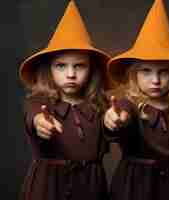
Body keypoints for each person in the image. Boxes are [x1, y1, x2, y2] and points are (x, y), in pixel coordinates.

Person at [103, 0, 169, 200]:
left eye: (163, 72)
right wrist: (113, 120)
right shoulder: (128, 106)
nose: (155, 80)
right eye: (146, 71)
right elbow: (117, 119)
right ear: (134, 75)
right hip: (135, 185)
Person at [19, 1, 111, 200]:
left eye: (79, 66)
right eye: (61, 66)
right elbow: (33, 115)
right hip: (49, 187)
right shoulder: (39, 103)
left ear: (92, 69)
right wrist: (39, 122)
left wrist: (118, 121)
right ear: (48, 70)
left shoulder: (100, 105)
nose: (71, 74)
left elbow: (118, 126)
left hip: (91, 186)